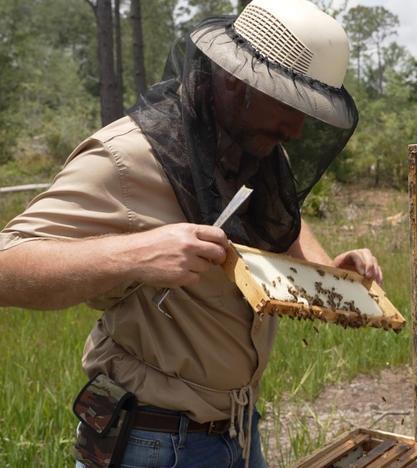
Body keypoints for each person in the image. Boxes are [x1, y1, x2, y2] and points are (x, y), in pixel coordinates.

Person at [0, 1, 382, 467]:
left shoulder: (258, 149)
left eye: (309, 110)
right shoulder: (125, 160)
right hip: (149, 441)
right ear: (234, 80)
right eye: (288, 103)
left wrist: (327, 271)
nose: (298, 129)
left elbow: (283, 226)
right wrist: (135, 255)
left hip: (239, 432)